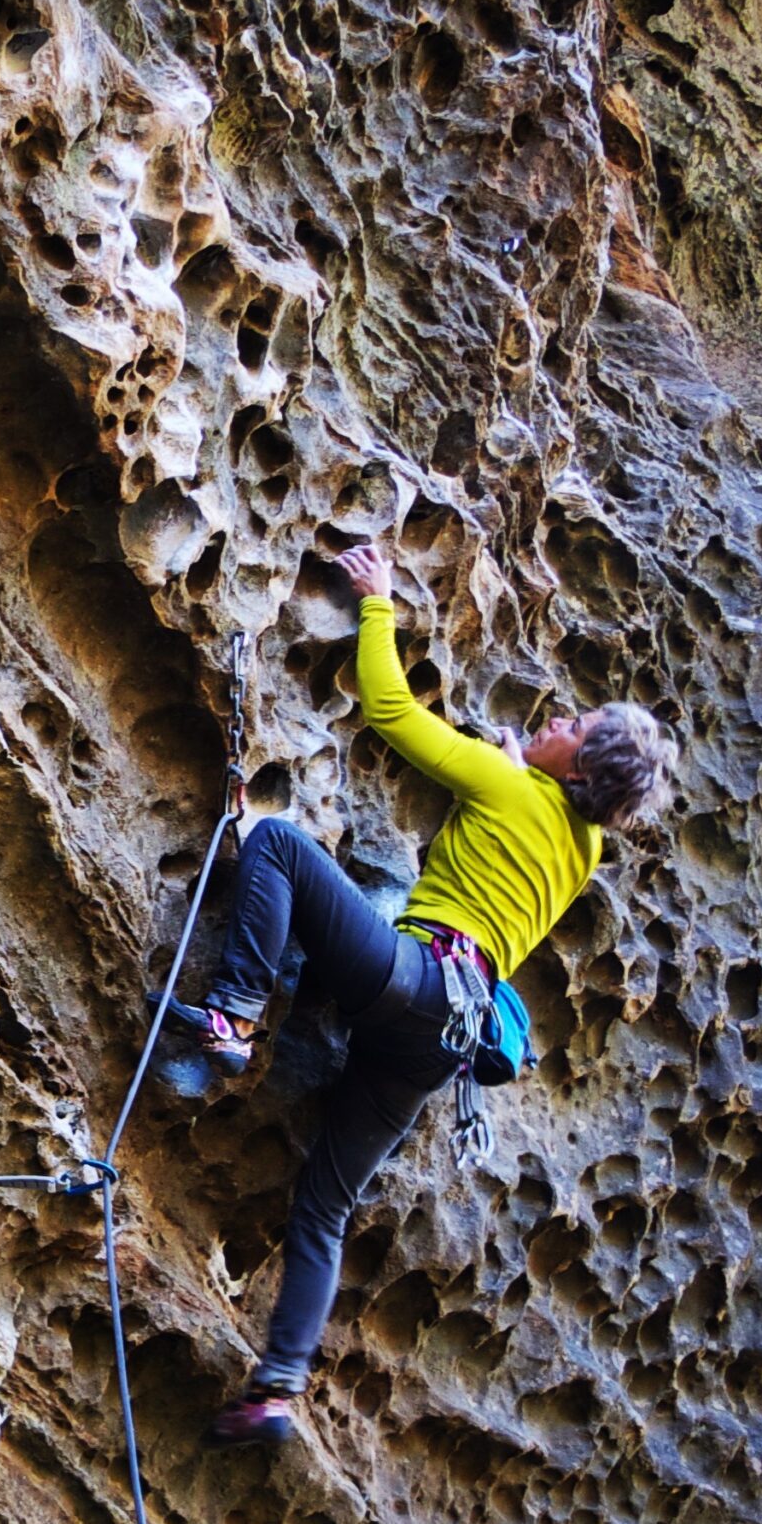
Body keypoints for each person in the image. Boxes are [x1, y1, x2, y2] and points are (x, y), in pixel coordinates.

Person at [174, 536, 677, 1446]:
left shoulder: (512, 783)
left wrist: (377, 601)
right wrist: (521, 764)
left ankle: (235, 1013)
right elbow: (531, 813)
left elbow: (391, 710)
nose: (558, 716)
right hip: (445, 1040)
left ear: (576, 767)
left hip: (413, 979)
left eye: (575, 723)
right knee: (324, 1206)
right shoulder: (585, 849)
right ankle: (278, 1390)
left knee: (279, 845)